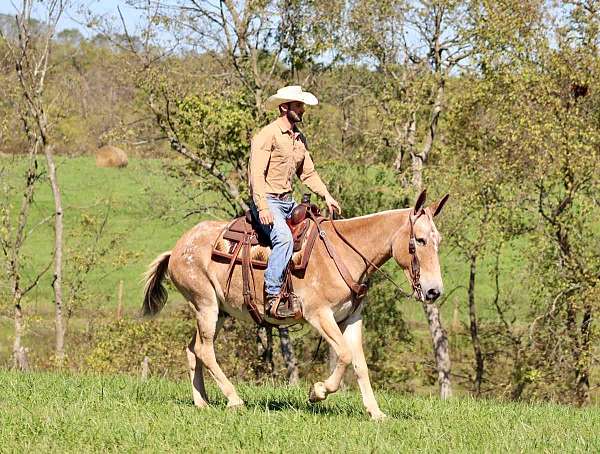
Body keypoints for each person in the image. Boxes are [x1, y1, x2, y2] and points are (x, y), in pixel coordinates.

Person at [249, 85, 341, 318]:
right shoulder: (266, 135)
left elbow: (308, 173)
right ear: (284, 107)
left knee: (318, 233)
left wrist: (326, 195)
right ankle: (271, 295)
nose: (303, 110)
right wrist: (262, 208)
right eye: (298, 105)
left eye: (302, 105)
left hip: (288, 201)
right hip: (267, 200)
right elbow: (256, 175)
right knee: (283, 238)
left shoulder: (300, 139)